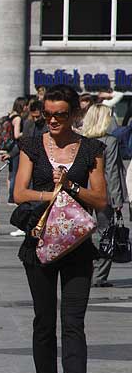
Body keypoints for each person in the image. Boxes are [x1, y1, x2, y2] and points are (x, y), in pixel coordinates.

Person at [12, 85, 107, 373]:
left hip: (77, 246)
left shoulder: (91, 149)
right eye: (47, 113)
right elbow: (19, 193)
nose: (52, 120)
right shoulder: (32, 145)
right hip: (39, 244)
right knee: (43, 319)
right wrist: (49, 192)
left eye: (60, 114)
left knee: (73, 322)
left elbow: (100, 200)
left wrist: (71, 187)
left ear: (73, 115)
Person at [81, 104, 127, 288]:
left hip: (83, 191)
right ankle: (99, 276)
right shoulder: (109, 141)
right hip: (103, 193)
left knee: (82, 234)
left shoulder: (81, 140)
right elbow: (112, 172)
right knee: (106, 233)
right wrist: (117, 200)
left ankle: (84, 271)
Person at [0, 97, 26, 211]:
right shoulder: (18, 118)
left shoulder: (10, 115)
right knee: (15, 173)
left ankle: (10, 196)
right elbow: (16, 135)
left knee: (10, 174)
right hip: (14, 147)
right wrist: (25, 132)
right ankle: (12, 197)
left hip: (8, 147)